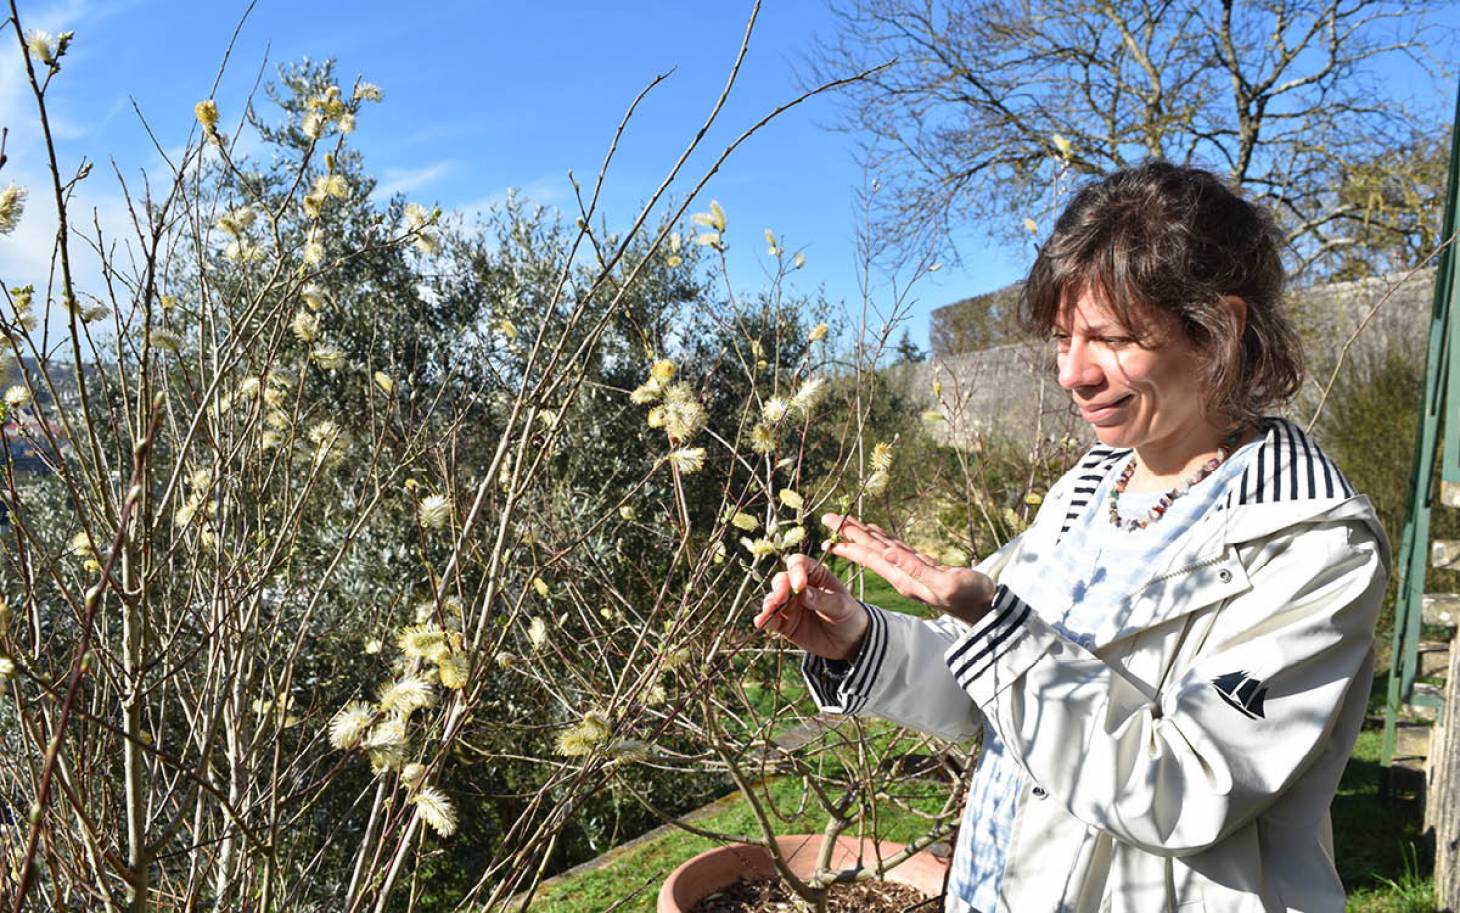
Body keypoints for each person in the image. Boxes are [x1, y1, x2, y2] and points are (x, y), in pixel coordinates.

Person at [755, 161, 1391, 913]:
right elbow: (995, 695)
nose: (1073, 373)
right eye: (1062, 338)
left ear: (1221, 328)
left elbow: (1183, 784)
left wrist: (995, 623)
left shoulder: (1309, 542)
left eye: (1111, 338)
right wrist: (860, 640)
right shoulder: (1090, 488)